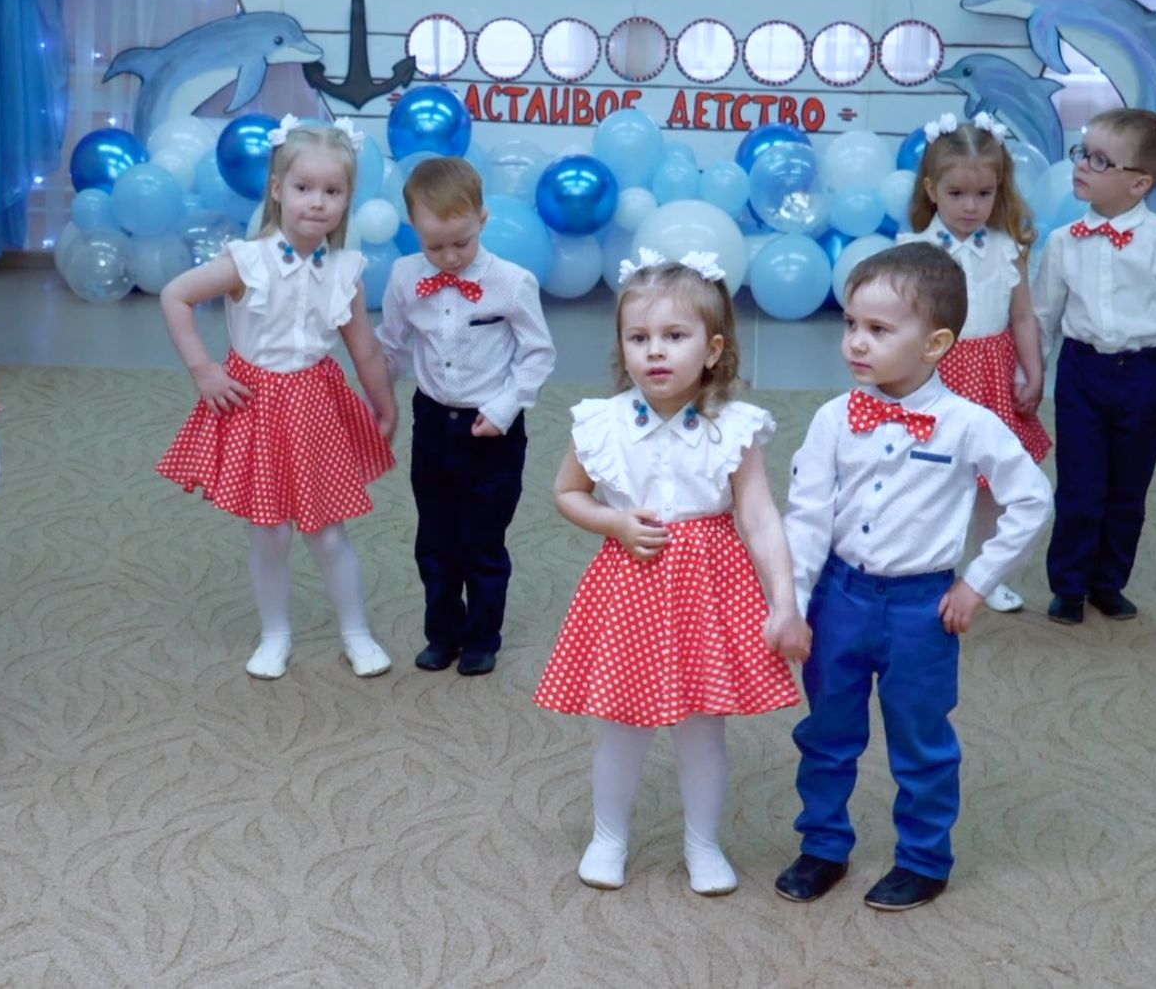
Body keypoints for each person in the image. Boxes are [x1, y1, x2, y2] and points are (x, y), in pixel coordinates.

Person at [776, 243, 1051, 912]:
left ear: (935, 344)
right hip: (839, 599)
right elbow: (806, 517)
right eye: (851, 324)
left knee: (921, 739)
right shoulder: (832, 419)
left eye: (878, 329)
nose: (856, 342)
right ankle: (823, 846)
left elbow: (1031, 498)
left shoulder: (970, 424)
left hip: (922, 609)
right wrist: (795, 603)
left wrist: (978, 581)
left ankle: (924, 859)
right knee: (826, 733)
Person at [534, 253, 807, 895]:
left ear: (712, 350)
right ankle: (608, 837)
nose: (654, 351)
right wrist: (614, 522)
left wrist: (784, 600)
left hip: (707, 592)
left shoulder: (734, 429)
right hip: (630, 587)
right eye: (638, 337)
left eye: (674, 336)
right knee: (621, 726)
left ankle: (702, 843)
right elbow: (568, 493)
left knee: (702, 729)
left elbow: (760, 518)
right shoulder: (600, 423)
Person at [156, 117, 400, 681]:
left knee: (328, 532)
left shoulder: (346, 271)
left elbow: (364, 349)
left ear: (347, 198)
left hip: (315, 407)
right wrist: (204, 369)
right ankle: (275, 635)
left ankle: (356, 632)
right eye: (303, 187)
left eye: (332, 191)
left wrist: (383, 403)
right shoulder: (247, 261)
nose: (317, 202)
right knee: (270, 532)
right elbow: (175, 296)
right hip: (256, 408)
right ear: (276, 189)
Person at [376, 158, 554, 676]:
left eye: (461, 242)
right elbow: (391, 345)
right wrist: (376, 399)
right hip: (433, 422)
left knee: (482, 539)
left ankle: (481, 638)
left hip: (493, 429)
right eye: (435, 246)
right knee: (434, 537)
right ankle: (442, 634)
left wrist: (503, 410)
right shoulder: (404, 276)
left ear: (483, 218)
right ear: (414, 228)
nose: (450, 258)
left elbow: (537, 354)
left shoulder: (512, 283)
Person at [1032, 109, 1156, 625]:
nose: (1082, 165)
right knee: (1079, 486)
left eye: (1100, 160)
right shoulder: (1063, 242)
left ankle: (1108, 582)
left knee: (1127, 490)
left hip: (1146, 376)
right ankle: (1068, 585)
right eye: (1082, 153)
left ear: (1139, 183)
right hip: (1082, 374)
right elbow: (1043, 316)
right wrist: (1032, 376)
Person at [898, 112, 1050, 614]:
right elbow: (900, 324)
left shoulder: (1008, 249)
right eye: (957, 193)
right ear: (931, 189)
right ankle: (919, 565)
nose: (971, 206)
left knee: (992, 483)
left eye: (983, 194)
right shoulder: (914, 251)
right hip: (934, 377)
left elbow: (1022, 317)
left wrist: (1034, 372)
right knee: (927, 475)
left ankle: (984, 572)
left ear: (998, 189)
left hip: (991, 377)